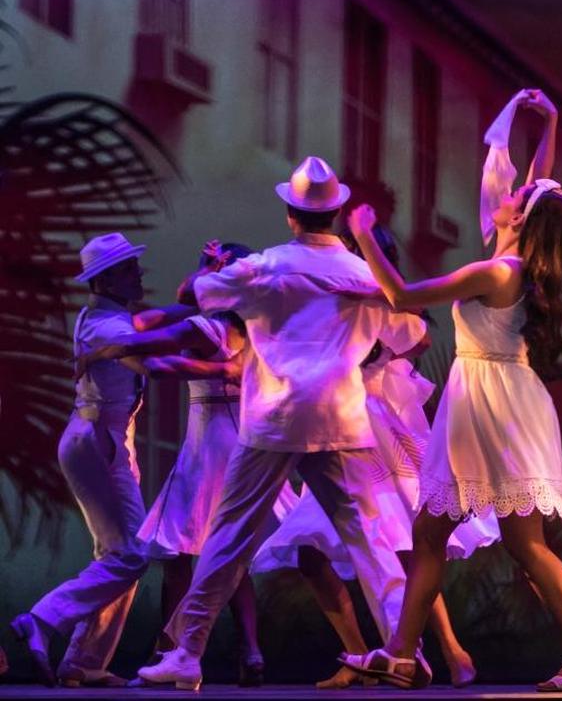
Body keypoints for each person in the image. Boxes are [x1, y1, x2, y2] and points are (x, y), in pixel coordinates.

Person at [338, 89, 562, 692]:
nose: (506, 191)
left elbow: (404, 297)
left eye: (515, 196)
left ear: (521, 218)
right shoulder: (519, 261)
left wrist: (363, 237)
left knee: (523, 544)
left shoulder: (497, 272)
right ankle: (403, 653)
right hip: (490, 396)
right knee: (435, 532)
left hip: (492, 403)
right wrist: (551, 121)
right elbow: (542, 183)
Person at [138, 156, 426, 691]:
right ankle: (406, 650)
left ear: (291, 214)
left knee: (228, 538)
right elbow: (412, 335)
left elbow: (197, 295)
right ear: (337, 213)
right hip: (340, 415)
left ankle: (186, 654)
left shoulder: (265, 266)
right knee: (368, 540)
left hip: (274, 418)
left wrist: (211, 266)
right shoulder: (364, 274)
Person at [249, 224, 496, 690]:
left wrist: (374, 345)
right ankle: (363, 654)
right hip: (334, 429)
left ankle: (449, 648)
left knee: (407, 548)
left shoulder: (380, 298)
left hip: (372, 428)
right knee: (311, 553)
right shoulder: (337, 289)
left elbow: (417, 336)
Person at [74, 241, 270, 686]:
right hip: (240, 436)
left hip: (213, 438)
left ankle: (167, 650)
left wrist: (107, 350)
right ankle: (251, 651)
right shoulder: (253, 320)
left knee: (179, 550)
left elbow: (160, 345)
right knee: (227, 552)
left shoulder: (214, 327)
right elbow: (172, 306)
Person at [10, 234, 150, 688]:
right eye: (129, 268)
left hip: (105, 441)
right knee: (131, 555)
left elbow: (155, 326)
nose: (139, 274)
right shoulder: (106, 328)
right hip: (94, 442)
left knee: (120, 555)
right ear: (107, 278)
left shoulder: (110, 318)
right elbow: (152, 356)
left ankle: (83, 663)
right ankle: (44, 619)